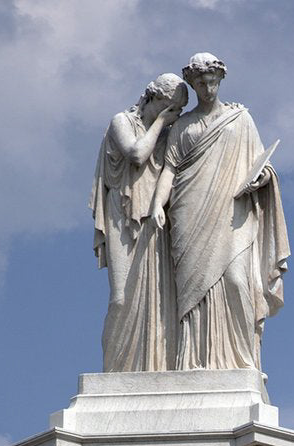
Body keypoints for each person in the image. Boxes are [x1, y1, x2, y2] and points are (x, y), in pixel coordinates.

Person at [150, 52, 290, 370]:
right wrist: (158, 204)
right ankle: (192, 359)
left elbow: (261, 163)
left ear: (220, 81)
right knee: (191, 289)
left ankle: (241, 361)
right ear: (193, 84)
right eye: (201, 83)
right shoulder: (182, 126)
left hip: (233, 212)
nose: (207, 88)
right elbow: (169, 170)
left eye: (212, 81)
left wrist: (263, 178)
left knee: (238, 282)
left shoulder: (240, 119)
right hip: (189, 211)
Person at [90, 73, 188, 371]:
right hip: (123, 211)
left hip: (155, 219)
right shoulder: (122, 121)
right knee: (121, 297)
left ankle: (153, 366)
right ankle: (114, 371)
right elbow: (136, 154)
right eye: (171, 107)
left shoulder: (169, 135)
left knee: (156, 301)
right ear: (153, 98)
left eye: (179, 111)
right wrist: (161, 123)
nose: (175, 116)